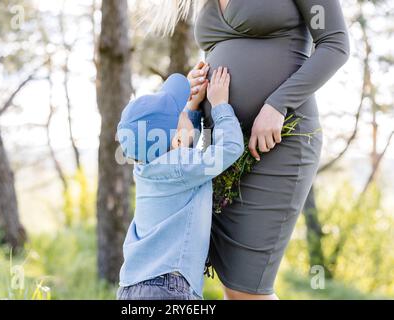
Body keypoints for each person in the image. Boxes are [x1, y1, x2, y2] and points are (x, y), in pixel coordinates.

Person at [150, 0, 350, 299]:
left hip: (280, 140)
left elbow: (335, 44)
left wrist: (278, 104)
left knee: (249, 289)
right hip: (223, 147)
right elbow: (220, 55)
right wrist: (197, 85)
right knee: (234, 287)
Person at [116, 66, 244, 300]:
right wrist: (220, 106)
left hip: (132, 287)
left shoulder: (146, 167)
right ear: (175, 140)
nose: (185, 112)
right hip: (167, 287)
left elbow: (181, 150)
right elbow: (230, 149)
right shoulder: (180, 165)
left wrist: (192, 109)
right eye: (181, 114)